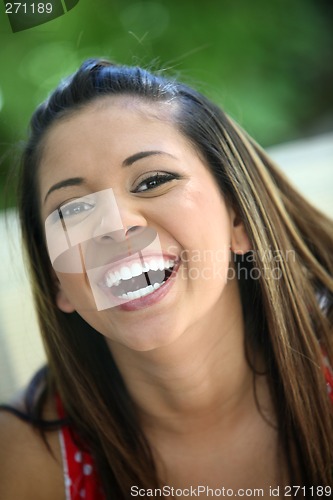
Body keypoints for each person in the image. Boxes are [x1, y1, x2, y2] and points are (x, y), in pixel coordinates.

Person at [0, 58, 332, 500]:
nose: (114, 227)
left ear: (239, 218)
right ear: (56, 279)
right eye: (73, 209)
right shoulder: (21, 458)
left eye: (153, 180)